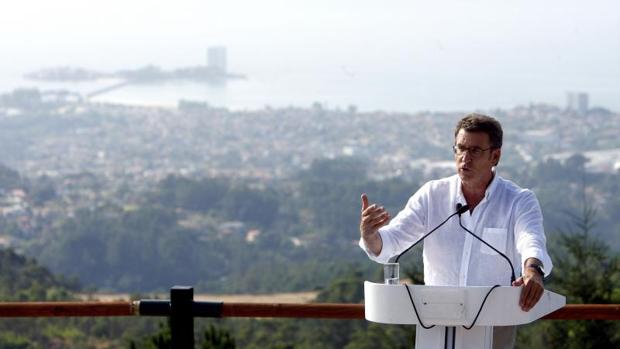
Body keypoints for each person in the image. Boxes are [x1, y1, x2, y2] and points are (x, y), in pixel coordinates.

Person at [359, 113, 552, 349]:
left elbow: (531, 240)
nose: (465, 158)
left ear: (495, 156)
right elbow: (390, 243)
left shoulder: (518, 200)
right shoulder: (432, 195)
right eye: (460, 149)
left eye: (475, 151)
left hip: (494, 324)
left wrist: (532, 270)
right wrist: (370, 236)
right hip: (436, 323)